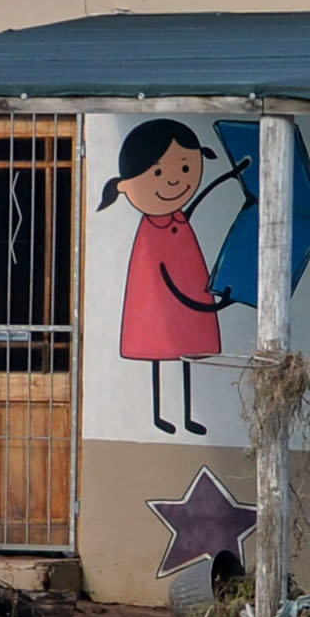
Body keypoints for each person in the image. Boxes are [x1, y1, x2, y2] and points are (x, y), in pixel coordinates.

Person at [113, 119, 229, 435]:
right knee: (159, 356)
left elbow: (195, 207)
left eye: (186, 168)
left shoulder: (179, 222)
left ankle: (188, 415)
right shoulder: (154, 231)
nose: (175, 181)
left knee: (187, 356)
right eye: (159, 173)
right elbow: (166, 279)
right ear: (126, 186)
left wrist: (228, 178)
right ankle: (158, 414)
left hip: (188, 297)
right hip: (160, 302)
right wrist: (206, 306)